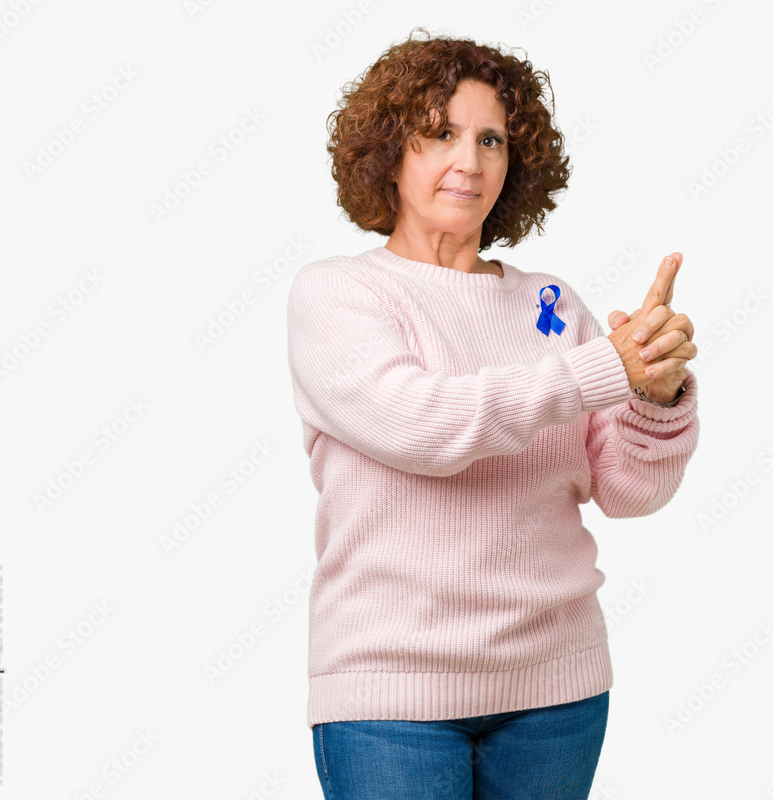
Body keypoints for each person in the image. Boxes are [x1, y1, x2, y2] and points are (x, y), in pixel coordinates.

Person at [286, 27, 700, 800]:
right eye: (440, 134)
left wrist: (653, 393)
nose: (468, 162)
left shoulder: (549, 303)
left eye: (491, 140)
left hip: (557, 689)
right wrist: (604, 367)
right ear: (390, 151)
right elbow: (424, 425)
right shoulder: (339, 294)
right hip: (392, 699)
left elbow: (627, 491)